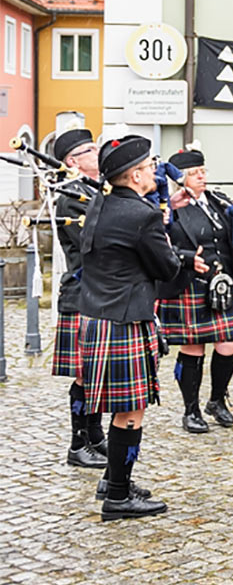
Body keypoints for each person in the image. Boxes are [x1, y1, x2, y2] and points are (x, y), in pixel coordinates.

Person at [80, 135, 183, 520]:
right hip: (125, 319)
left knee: (121, 409)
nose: (155, 169)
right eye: (150, 165)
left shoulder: (100, 204)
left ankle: (113, 479)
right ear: (136, 174)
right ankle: (119, 496)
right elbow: (166, 268)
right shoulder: (143, 216)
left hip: (99, 316)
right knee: (130, 412)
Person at [159, 148, 233, 435]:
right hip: (189, 283)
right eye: (194, 173)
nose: (202, 177)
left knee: (229, 344)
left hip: (223, 283)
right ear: (179, 179)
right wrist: (185, 256)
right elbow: (159, 244)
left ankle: (216, 399)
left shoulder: (217, 201)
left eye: (203, 171)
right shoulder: (169, 208)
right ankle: (191, 410)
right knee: (193, 348)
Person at [47, 128, 107, 469]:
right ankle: (77, 443)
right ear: (72, 160)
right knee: (85, 374)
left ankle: (95, 436)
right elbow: (93, 243)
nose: (97, 152)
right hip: (80, 293)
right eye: (90, 149)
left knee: (96, 372)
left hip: (98, 293)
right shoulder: (71, 197)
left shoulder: (97, 190)